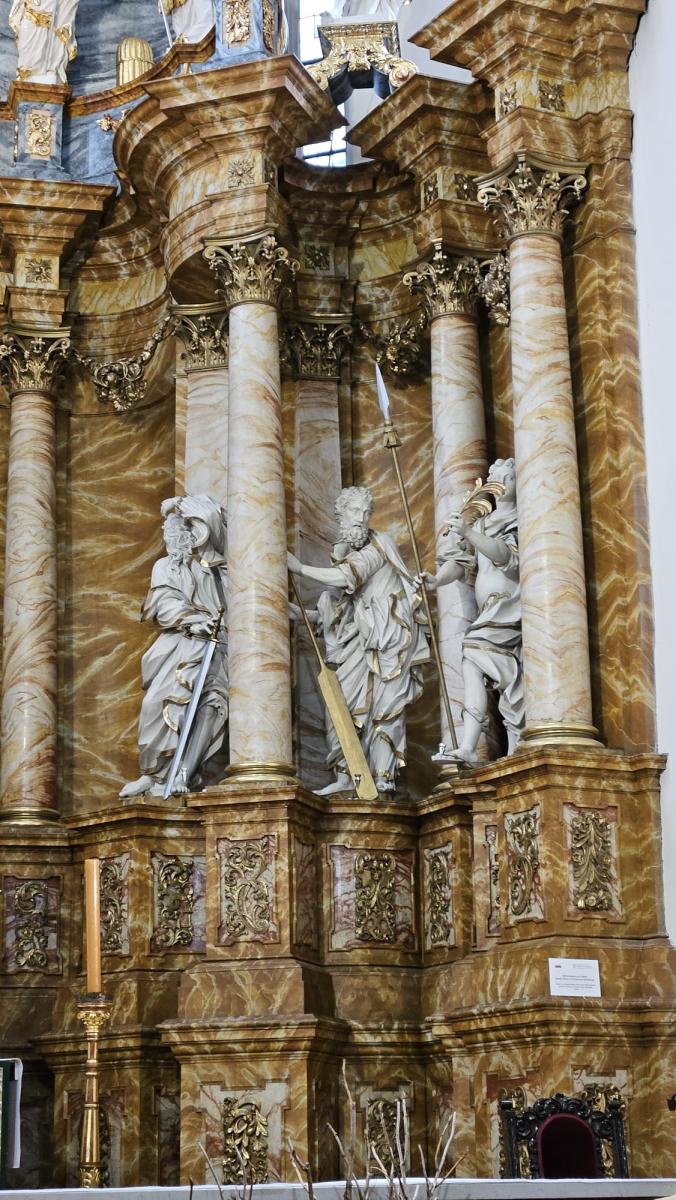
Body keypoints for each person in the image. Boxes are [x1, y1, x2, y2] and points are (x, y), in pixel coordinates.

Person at [288, 485, 429, 794]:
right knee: (343, 704)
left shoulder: (379, 545)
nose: (362, 517)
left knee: (385, 707)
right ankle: (347, 775)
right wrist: (303, 615)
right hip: (363, 643)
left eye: (366, 512)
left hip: (389, 639)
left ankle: (383, 776)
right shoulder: (347, 552)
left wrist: (299, 568)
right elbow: (344, 613)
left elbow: (347, 576)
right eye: (355, 510)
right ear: (340, 514)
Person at [119, 495, 228, 800]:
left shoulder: (219, 570)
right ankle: (153, 773)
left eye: (179, 530)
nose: (171, 537)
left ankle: (183, 774)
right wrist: (193, 621)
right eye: (168, 531)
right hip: (179, 645)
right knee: (156, 704)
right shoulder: (165, 567)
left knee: (211, 707)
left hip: (218, 649)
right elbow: (162, 603)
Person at [426, 458, 524, 766]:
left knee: (472, 650)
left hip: (509, 607)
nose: (500, 482)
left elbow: (505, 556)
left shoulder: (521, 519)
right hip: (489, 610)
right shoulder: (482, 523)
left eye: (507, 477)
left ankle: (470, 744)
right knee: (476, 665)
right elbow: (460, 562)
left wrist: (468, 532)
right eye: (496, 476)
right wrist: (436, 581)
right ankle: (474, 746)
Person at [9, 0, 79, 84]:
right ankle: (27, 72)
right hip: (31, 15)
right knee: (25, 46)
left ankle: (47, 70)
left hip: (50, 19)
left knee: (47, 46)